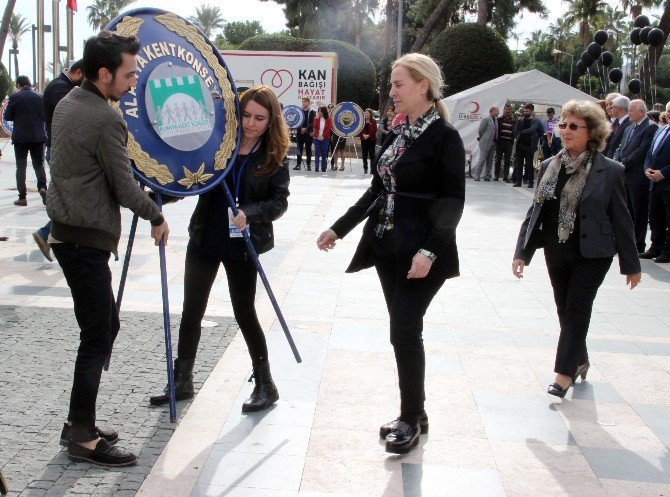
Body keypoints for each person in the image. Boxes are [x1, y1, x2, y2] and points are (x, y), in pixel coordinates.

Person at [316, 53, 465, 454]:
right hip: (387, 247)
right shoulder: (399, 133)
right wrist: (339, 228)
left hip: (422, 253)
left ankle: (409, 418)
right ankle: (417, 410)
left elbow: (453, 200)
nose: (392, 93)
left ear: (423, 86)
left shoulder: (445, 138)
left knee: (403, 329)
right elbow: (377, 190)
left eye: (399, 85)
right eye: (392, 85)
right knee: (403, 330)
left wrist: (430, 252)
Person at [46, 31, 169, 467]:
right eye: (129, 73)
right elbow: (123, 188)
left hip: (69, 233)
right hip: (82, 239)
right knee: (98, 334)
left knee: (102, 328)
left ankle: (79, 422)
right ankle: (81, 436)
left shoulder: (68, 102)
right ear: (104, 74)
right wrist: (157, 214)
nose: (134, 81)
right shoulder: (103, 117)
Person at [150, 86, 290, 413]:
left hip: (243, 245)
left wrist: (250, 214)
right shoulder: (218, 147)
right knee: (192, 310)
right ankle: (182, 379)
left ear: (271, 121)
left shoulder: (274, 156)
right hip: (205, 237)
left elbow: (278, 202)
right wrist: (158, 193)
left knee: (244, 312)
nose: (251, 123)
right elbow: (191, 180)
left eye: (259, 117)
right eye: (246, 115)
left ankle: (266, 383)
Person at [513, 100, 641, 399]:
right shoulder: (549, 166)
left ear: (592, 131)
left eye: (573, 126)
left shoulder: (610, 171)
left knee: (577, 308)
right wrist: (522, 252)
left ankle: (564, 372)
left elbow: (622, 220)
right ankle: (580, 359)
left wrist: (631, 264)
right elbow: (536, 214)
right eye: (563, 125)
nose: (565, 131)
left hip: (594, 254)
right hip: (557, 250)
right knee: (564, 309)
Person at [32, 59, 85, 262]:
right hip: (59, 151)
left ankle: (49, 236)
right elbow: (70, 119)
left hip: (59, 149)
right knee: (69, 199)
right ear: (78, 72)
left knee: (70, 199)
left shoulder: (61, 87)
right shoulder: (59, 89)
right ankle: (46, 234)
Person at [613, 99, 657, 253]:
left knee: (639, 213)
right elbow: (620, 147)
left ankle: (638, 244)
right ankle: (628, 242)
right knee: (627, 212)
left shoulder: (650, 128)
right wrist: (616, 161)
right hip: (624, 176)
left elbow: (642, 151)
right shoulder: (629, 128)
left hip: (638, 178)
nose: (629, 113)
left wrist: (623, 162)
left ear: (641, 112)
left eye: (631, 110)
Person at [4, 75, 48, 206]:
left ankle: (22, 197)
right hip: (38, 137)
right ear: (29, 84)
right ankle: (42, 188)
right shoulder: (40, 97)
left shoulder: (15, 97)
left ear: (18, 85)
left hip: (20, 138)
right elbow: (45, 117)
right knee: (39, 165)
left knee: (21, 168)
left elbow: (7, 116)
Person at [641, 102, 670, 263]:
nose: (668, 114)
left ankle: (667, 250)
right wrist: (647, 169)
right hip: (654, 183)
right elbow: (650, 154)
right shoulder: (662, 130)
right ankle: (655, 247)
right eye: (667, 111)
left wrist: (663, 173)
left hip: (667, 182)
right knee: (655, 217)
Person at [513, 103, 542, 188]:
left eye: (527, 111)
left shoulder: (536, 120)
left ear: (531, 111)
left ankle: (530, 182)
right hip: (520, 145)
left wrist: (522, 132)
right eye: (524, 111)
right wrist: (518, 120)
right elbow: (516, 129)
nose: (525, 112)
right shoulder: (521, 120)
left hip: (529, 146)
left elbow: (533, 130)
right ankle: (518, 182)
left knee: (529, 165)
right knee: (519, 164)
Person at [474, 106, 499, 181]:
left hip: (493, 143)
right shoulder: (486, 119)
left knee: (490, 160)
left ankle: (487, 176)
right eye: (497, 111)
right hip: (486, 142)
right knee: (482, 159)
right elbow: (481, 130)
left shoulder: (496, 120)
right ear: (492, 111)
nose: (498, 112)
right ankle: (477, 176)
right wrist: (483, 138)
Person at [293, 96, 315, 171]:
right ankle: (298, 165)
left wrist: (306, 128)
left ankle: (308, 165)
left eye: (305, 101)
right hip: (300, 133)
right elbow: (296, 121)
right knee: (299, 149)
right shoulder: (299, 111)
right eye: (302, 101)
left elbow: (312, 122)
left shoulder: (312, 111)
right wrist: (300, 128)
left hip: (308, 133)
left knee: (308, 149)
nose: (303, 103)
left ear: (308, 102)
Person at [495, 104, 515, 182]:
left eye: (509, 109)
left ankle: (505, 177)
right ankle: (496, 176)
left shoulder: (513, 121)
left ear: (511, 111)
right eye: (506, 109)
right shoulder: (499, 119)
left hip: (509, 143)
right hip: (500, 143)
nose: (508, 111)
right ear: (503, 110)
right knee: (498, 160)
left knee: (507, 161)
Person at [312, 105, 332, 173]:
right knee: (317, 153)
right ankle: (316, 167)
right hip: (316, 137)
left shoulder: (328, 119)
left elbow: (329, 129)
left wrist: (323, 136)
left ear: (324, 112)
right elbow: (314, 127)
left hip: (325, 138)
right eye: (318, 111)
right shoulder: (316, 118)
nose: (319, 112)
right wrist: (316, 119)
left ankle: (324, 167)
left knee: (324, 153)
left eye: (320, 111)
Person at [360, 108, 378, 174]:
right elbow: (359, 129)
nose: (366, 114)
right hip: (363, 140)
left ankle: (372, 169)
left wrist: (369, 135)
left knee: (372, 155)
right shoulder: (362, 121)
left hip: (372, 140)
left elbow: (375, 130)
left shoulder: (373, 121)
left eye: (367, 113)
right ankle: (365, 168)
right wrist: (363, 135)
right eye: (365, 113)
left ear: (370, 114)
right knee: (364, 155)